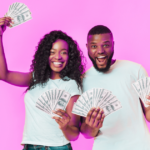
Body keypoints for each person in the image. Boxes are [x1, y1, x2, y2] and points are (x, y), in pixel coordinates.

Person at [0, 17, 85, 150]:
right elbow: (3, 74)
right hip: (29, 146)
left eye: (64, 52)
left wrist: (65, 127)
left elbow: (74, 133)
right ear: (45, 55)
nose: (58, 57)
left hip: (56, 147)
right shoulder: (35, 78)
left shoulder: (71, 85)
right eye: (52, 52)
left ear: (70, 56)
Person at [80, 25, 150, 150]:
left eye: (106, 45)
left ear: (113, 45)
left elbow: (148, 113)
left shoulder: (135, 70)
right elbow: (86, 133)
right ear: (87, 47)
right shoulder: (82, 82)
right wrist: (92, 127)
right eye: (94, 46)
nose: (100, 51)